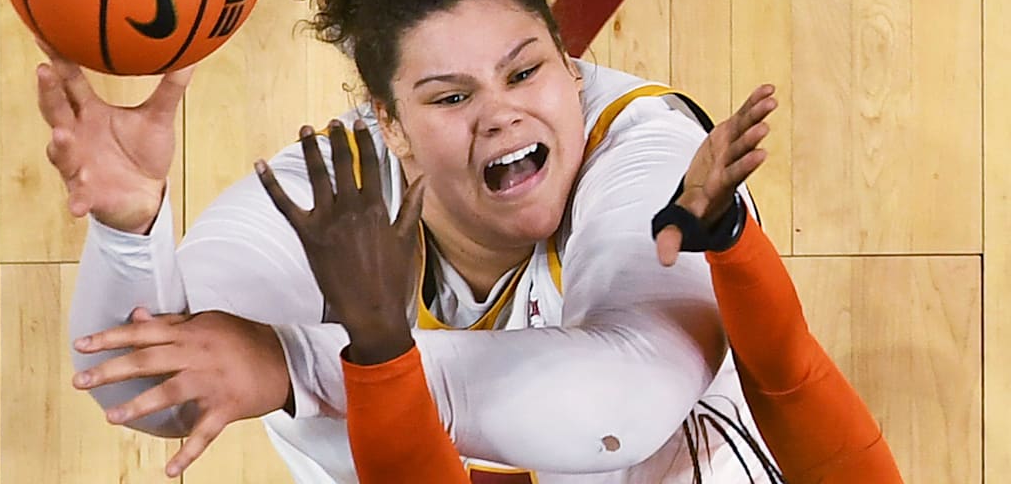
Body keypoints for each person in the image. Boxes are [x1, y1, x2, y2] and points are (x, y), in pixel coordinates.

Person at [47, 0, 774, 482]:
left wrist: (292, 363)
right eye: (453, 97)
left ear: (570, 65)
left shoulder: (649, 147)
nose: (502, 115)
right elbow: (150, 388)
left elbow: (621, 408)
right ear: (388, 125)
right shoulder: (329, 189)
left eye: (525, 72)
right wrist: (129, 231)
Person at [273, 88, 903, 483]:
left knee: (300, 412)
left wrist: (379, 346)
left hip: (479, 430)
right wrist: (728, 237)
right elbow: (789, 380)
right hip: (653, 388)